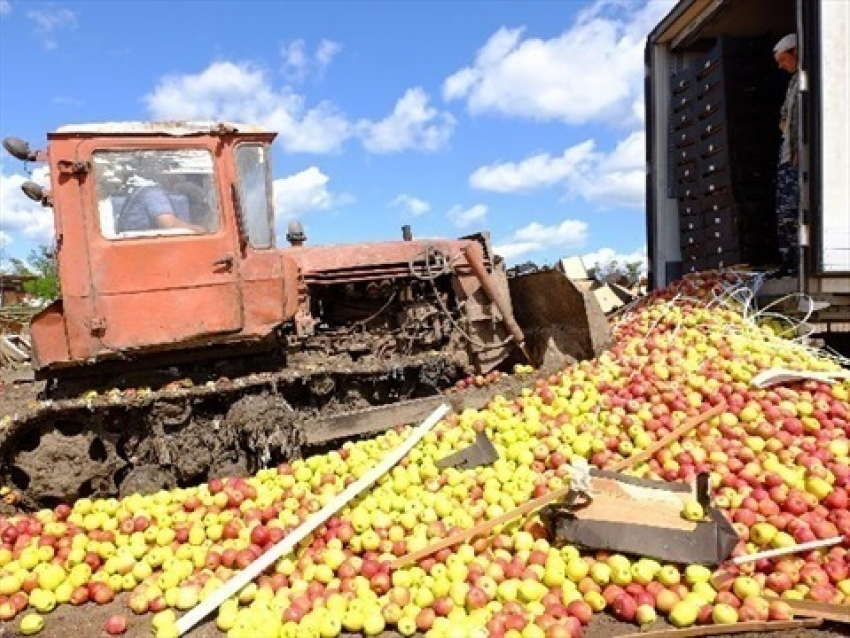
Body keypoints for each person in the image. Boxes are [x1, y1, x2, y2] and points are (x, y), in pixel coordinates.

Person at [773, 33, 800, 275]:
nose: (781, 66)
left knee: (794, 211)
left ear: (795, 53)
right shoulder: (793, 83)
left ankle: (800, 263)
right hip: (787, 157)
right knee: (783, 212)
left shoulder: (808, 80)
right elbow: (784, 118)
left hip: (798, 159)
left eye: (783, 59)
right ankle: (789, 263)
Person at [116, 176, 207, 234]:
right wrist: (200, 231)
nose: (180, 178)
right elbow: (168, 224)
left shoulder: (143, 190)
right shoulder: (152, 192)